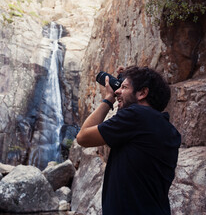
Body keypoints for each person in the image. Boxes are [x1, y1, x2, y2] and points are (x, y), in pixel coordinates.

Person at [76, 66, 181, 214]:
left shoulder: (136, 115)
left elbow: (83, 137)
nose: (117, 90)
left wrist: (108, 99)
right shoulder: (167, 129)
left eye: (124, 87)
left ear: (143, 93)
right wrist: (126, 80)